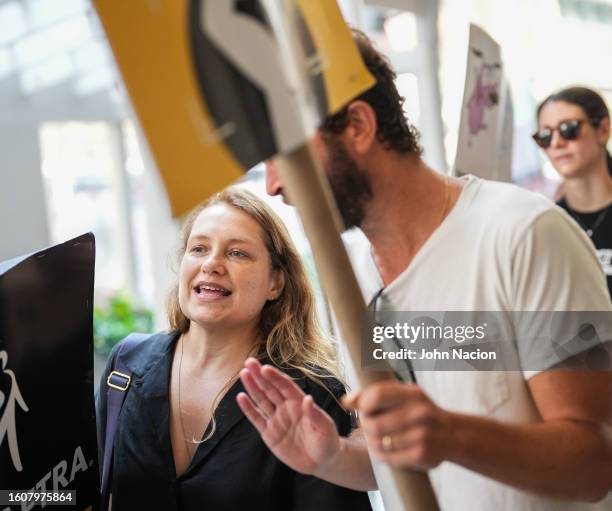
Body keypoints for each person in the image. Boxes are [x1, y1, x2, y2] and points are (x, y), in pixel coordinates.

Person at [237, 29, 612, 510]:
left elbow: (596, 460)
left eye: (285, 155)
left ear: (358, 125)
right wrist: (331, 456)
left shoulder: (528, 233)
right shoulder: (349, 276)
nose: (270, 186)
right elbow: (400, 456)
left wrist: (451, 434)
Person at [96, 188, 373, 511]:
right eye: (198, 248)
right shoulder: (126, 366)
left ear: (276, 283)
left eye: (237, 253)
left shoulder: (311, 396)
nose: (211, 264)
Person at [534, 86, 612, 297]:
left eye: (569, 128)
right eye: (545, 135)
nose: (557, 143)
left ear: (603, 130)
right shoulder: (545, 223)